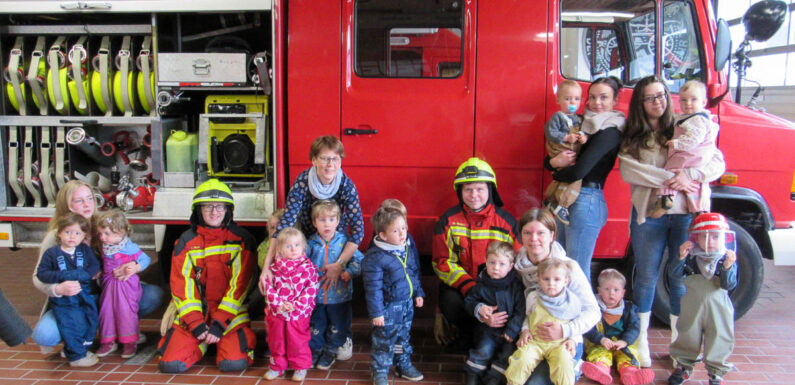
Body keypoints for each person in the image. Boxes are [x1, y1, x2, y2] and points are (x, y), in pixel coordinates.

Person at [618, 75, 726, 366]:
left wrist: (691, 175)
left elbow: (717, 161)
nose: (659, 102)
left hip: (683, 218)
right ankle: (639, 341)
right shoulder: (633, 135)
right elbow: (630, 171)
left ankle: (681, 347)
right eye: (651, 97)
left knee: (679, 278)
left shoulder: (686, 125)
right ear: (641, 103)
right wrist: (672, 179)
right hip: (648, 216)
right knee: (646, 278)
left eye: (662, 95)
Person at [259, 135, 364, 359]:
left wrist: (339, 264)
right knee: (306, 292)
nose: (330, 165)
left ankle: (341, 335)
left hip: (337, 243)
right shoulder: (302, 183)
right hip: (309, 240)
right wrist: (266, 267)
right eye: (325, 158)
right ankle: (304, 338)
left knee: (337, 294)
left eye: (336, 159)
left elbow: (358, 231)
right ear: (313, 160)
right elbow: (284, 226)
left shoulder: (346, 184)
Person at [31, 180, 163, 353]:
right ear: (68, 206)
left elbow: (131, 252)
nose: (87, 205)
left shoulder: (104, 226)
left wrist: (132, 266)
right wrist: (58, 288)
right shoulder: (56, 236)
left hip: (110, 291)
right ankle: (76, 337)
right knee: (44, 335)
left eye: (90, 199)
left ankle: (123, 328)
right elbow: (38, 277)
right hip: (75, 299)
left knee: (153, 295)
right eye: (79, 201)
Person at [157, 179, 257, 373]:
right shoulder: (185, 242)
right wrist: (195, 324)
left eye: (219, 206)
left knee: (233, 363)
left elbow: (240, 287)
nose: (214, 211)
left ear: (228, 209)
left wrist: (219, 324)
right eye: (208, 206)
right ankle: (203, 344)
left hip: (230, 316)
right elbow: (182, 285)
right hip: (197, 314)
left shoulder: (242, 241)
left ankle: (216, 342)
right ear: (198, 210)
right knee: (170, 365)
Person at [545, 76, 626, 282]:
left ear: (615, 100)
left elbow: (578, 171)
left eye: (604, 97)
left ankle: (588, 314)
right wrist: (554, 162)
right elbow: (552, 160)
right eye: (592, 97)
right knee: (562, 267)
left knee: (576, 271)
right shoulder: (580, 125)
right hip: (569, 197)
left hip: (586, 200)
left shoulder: (611, 130)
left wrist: (555, 170)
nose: (597, 103)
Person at [432, 157, 519, 350]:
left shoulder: (507, 223)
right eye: (468, 189)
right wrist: (469, 286)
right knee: (449, 299)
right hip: (465, 288)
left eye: (480, 189)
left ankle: (494, 339)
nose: (474, 195)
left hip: (499, 289)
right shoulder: (448, 221)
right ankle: (468, 335)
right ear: (460, 192)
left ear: (490, 190)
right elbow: (442, 262)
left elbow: (518, 263)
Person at [513, 208, 599, 385]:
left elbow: (593, 311)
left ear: (552, 235)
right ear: (520, 236)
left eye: (541, 233)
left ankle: (575, 365)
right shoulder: (516, 267)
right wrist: (524, 330)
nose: (534, 239)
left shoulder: (568, 269)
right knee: (513, 374)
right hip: (532, 338)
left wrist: (566, 331)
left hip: (565, 340)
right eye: (527, 233)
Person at [668, 213, 737, 385]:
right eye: (704, 236)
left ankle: (716, 372)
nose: (710, 241)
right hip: (693, 304)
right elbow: (674, 275)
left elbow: (729, 285)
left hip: (719, 306)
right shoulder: (692, 257)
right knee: (687, 333)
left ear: (725, 238)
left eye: (715, 236)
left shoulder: (726, 258)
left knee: (720, 336)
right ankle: (684, 366)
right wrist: (680, 258)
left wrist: (728, 268)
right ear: (696, 237)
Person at [364, 205, 425, 385]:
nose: (402, 234)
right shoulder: (375, 258)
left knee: (403, 337)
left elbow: (412, 272)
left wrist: (418, 293)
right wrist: (377, 313)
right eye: (396, 230)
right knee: (384, 340)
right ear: (383, 235)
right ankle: (380, 371)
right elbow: (372, 289)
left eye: (404, 228)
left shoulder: (404, 248)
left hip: (406, 304)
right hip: (388, 309)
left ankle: (403, 364)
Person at [36, 213, 101, 367]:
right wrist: (61, 278)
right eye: (68, 232)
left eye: (77, 233)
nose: (72, 236)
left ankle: (77, 349)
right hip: (64, 300)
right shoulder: (52, 254)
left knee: (89, 322)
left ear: (83, 236)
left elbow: (94, 266)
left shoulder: (84, 251)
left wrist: (84, 274)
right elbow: (41, 274)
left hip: (84, 296)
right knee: (71, 324)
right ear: (59, 233)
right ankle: (77, 357)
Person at [307, 199, 364, 370]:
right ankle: (315, 350)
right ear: (314, 222)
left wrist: (349, 272)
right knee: (317, 324)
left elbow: (359, 261)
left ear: (338, 221)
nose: (327, 224)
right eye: (322, 220)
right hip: (316, 296)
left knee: (338, 326)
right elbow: (302, 263)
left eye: (331, 219)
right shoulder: (310, 243)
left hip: (340, 296)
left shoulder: (344, 242)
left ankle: (331, 351)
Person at [505, 258, 579, 385]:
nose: (551, 283)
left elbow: (577, 323)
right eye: (546, 279)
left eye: (557, 279)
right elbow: (528, 317)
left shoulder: (571, 301)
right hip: (535, 341)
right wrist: (525, 330)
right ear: (539, 279)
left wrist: (573, 339)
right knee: (521, 359)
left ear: (566, 281)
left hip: (559, 344)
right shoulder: (533, 297)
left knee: (564, 363)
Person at [652, 80, 719, 217]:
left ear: (704, 102)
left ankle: (665, 199)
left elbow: (694, 139)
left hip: (688, 156)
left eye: (693, 99)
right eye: (683, 100)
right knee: (696, 188)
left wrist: (677, 144)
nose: (688, 104)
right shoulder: (700, 119)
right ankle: (699, 210)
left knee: (670, 173)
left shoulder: (696, 120)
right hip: (699, 160)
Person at [463, 241, 526, 385]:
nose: (496, 268)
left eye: (502, 264)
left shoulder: (515, 286)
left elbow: (521, 310)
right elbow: (468, 302)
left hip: (509, 333)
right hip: (487, 331)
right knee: (483, 350)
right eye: (492, 262)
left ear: (511, 266)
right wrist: (478, 309)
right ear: (486, 262)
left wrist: (513, 329)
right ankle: (473, 373)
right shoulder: (481, 284)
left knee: (507, 354)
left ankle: (494, 378)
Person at [262, 228, 319, 382]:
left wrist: (296, 305)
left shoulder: (308, 268)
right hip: (278, 313)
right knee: (276, 340)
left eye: (297, 245)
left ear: (303, 247)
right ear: (279, 249)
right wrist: (279, 304)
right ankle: (277, 366)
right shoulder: (274, 268)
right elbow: (269, 287)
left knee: (298, 341)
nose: (293, 249)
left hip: (298, 314)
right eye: (288, 246)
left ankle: (300, 366)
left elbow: (311, 289)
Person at [581, 269, 654, 385]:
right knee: (599, 355)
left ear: (623, 293)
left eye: (616, 290)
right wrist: (601, 339)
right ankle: (601, 370)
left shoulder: (629, 309)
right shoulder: (593, 307)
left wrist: (625, 341)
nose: (611, 293)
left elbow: (634, 327)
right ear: (599, 291)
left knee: (628, 355)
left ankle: (630, 374)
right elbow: (587, 326)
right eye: (607, 289)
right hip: (600, 343)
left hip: (621, 344)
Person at [95, 209, 147, 359]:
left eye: (107, 234)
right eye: (100, 233)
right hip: (109, 286)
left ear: (121, 232)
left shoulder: (129, 247)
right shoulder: (105, 247)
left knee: (126, 312)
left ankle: (130, 342)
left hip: (125, 286)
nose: (102, 237)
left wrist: (135, 267)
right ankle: (109, 341)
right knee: (107, 312)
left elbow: (145, 259)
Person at [544, 79, 585, 225]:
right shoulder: (558, 117)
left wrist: (583, 137)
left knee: (561, 179)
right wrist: (567, 137)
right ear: (558, 100)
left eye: (577, 99)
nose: (572, 102)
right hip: (560, 151)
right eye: (568, 99)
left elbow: (582, 131)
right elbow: (550, 132)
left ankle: (551, 200)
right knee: (575, 180)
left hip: (570, 153)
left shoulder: (577, 119)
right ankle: (563, 205)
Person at [251, 208, 285, 318]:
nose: (276, 231)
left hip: (287, 292)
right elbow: (262, 264)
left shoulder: (295, 246)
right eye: (272, 228)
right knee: (253, 301)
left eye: (279, 228)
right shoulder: (264, 246)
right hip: (269, 288)